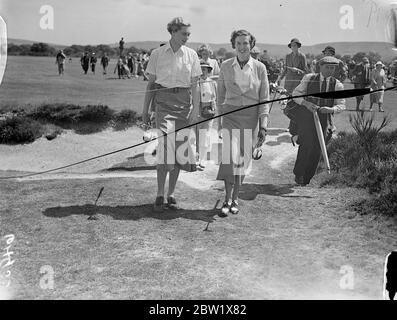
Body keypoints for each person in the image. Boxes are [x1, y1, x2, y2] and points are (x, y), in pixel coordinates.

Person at [142, 17, 202, 212]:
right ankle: (160, 192)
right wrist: (145, 110)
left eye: (188, 34)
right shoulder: (157, 54)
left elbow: (195, 86)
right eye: (184, 33)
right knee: (165, 149)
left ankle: (171, 193)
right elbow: (151, 85)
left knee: (179, 151)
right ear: (173, 32)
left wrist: (195, 110)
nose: (187, 37)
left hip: (184, 106)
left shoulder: (192, 55)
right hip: (163, 104)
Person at [216, 29, 269, 217]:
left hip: (251, 118)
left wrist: (263, 125)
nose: (242, 47)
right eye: (238, 43)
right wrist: (219, 121)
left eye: (245, 43)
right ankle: (227, 198)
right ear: (234, 45)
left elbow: (264, 99)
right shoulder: (225, 66)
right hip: (231, 115)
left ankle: (236, 198)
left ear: (251, 44)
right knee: (230, 158)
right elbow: (220, 95)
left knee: (242, 161)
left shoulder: (260, 68)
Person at [291, 56, 346, 186]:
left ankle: (307, 177)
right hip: (307, 116)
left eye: (332, 68)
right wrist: (305, 103)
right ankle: (299, 174)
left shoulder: (337, 84)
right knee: (307, 143)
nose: (330, 70)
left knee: (318, 147)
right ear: (320, 66)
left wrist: (331, 109)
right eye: (327, 67)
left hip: (325, 118)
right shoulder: (309, 78)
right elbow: (295, 94)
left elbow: (342, 105)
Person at [195, 60, 218, 169]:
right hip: (198, 111)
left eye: (205, 69)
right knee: (196, 135)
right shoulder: (196, 82)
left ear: (208, 71)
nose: (203, 71)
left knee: (206, 135)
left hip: (209, 112)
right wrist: (197, 111)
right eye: (201, 69)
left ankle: (202, 159)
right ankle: (196, 157)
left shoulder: (212, 82)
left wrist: (213, 109)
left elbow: (215, 97)